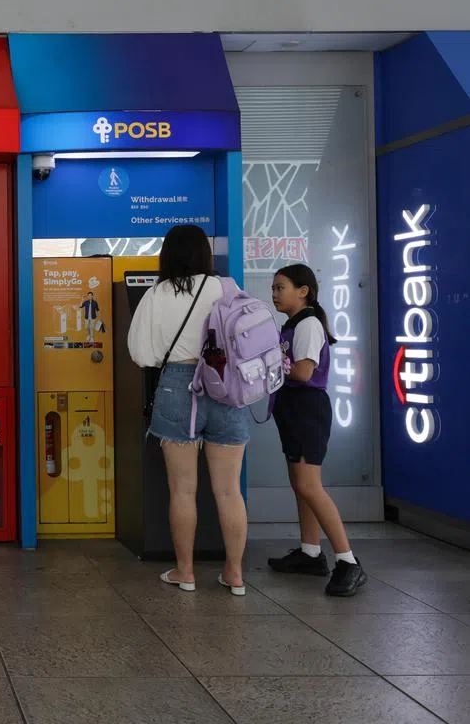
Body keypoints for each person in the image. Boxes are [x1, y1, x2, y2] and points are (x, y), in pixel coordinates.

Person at [127, 224, 249, 596]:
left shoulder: (157, 294)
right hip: (226, 387)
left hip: (178, 386)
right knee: (228, 491)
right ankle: (234, 574)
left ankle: (185, 572)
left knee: (182, 491)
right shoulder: (227, 288)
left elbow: (141, 354)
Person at [267, 263, 367, 597]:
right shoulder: (291, 324)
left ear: (303, 291)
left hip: (307, 410)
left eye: (280, 288)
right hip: (292, 410)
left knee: (310, 485)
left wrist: (267, 362)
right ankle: (310, 553)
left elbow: (303, 372)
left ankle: (348, 561)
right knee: (300, 485)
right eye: (273, 288)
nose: (274, 294)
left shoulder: (308, 324)